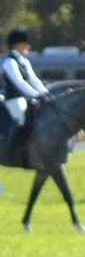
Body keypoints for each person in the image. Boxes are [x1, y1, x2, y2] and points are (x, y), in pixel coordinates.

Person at [1, 27, 51, 165]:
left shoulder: (25, 61)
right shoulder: (9, 62)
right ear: (15, 44)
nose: (28, 45)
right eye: (25, 42)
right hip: (14, 99)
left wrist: (46, 93)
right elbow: (19, 83)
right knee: (20, 119)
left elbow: (34, 80)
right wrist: (36, 95)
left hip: (27, 98)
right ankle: (9, 152)